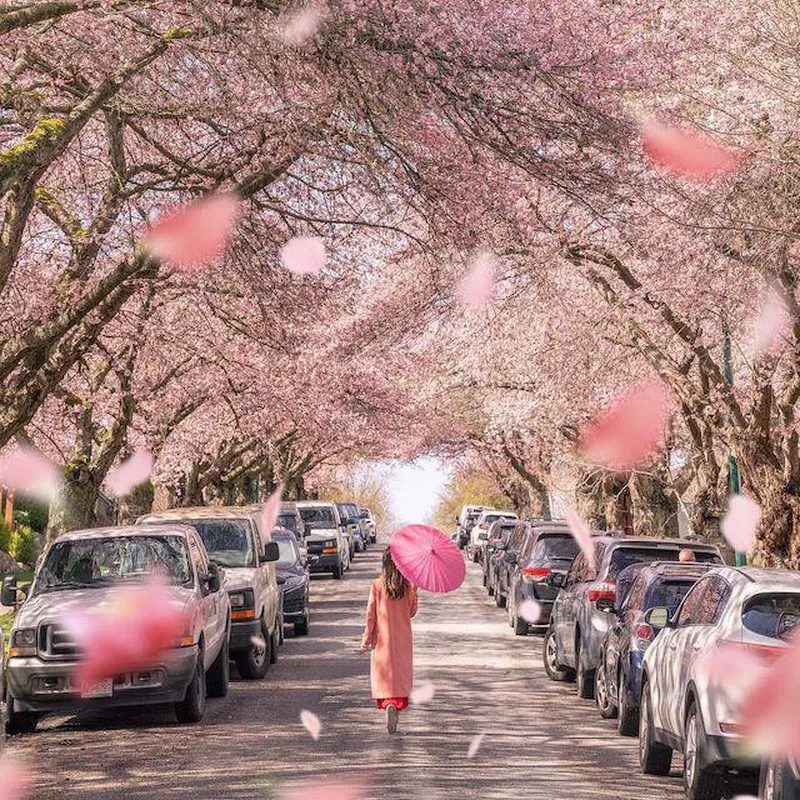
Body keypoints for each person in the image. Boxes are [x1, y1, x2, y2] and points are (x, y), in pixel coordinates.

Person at [360, 548, 418, 734]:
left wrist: (367, 638)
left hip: (382, 639)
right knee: (399, 675)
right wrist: (415, 592)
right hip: (403, 638)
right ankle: (396, 707)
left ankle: (388, 705)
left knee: (385, 674)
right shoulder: (407, 585)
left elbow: (371, 614)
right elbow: (411, 612)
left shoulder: (377, 585)